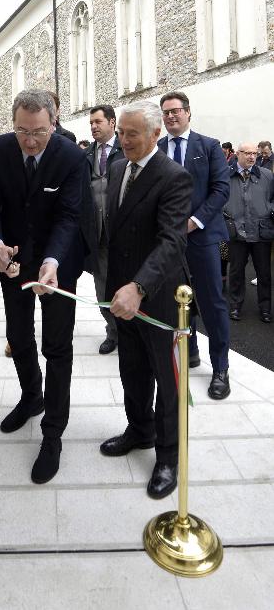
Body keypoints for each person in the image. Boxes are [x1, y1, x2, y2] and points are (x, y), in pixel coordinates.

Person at [0, 89, 88, 484]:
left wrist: (52, 261)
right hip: (11, 261)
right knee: (18, 334)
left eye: (39, 132)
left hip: (58, 263)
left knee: (57, 347)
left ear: (55, 121)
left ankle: (53, 433)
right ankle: (32, 396)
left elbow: (69, 216)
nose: (30, 141)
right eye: (22, 131)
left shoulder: (72, 157)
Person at [100, 100, 193, 499]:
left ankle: (168, 457)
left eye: (132, 134)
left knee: (166, 381)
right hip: (123, 296)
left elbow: (172, 242)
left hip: (157, 298)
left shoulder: (174, 177)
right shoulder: (118, 166)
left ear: (155, 134)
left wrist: (138, 287)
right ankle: (139, 429)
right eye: (120, 132)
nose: (123, 140)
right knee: (131, 369)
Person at [158, 91, 231, 400]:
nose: (171, 116)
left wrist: (193, 222)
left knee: (213, 303)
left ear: (188, 113)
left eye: (176, 111)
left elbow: (221, 189)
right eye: (166, 113)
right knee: (177, 301)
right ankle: (192, 351)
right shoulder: (158, 148)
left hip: (202, 237)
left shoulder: (209, 146)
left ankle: (221, 369)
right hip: (169, 241)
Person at [85, 104, 124, 354]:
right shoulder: (87, 155)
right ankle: (113, 331)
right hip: (97, 235)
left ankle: (130, 331)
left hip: (121, 233)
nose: (94, 127)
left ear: (112, 122)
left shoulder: (125, 150)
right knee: (102, 286)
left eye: (98, 122)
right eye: (91, 123)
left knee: (126, 282)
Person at [225, 142, 274, 323]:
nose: (252, 157)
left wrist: (270, 209)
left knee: (264, 273)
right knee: (236, 271)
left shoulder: (267, 175)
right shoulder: (226, 175)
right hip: (236, 231)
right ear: (237, 154)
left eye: (255, 153)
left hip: (262, 231)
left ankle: (265, 308)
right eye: (247, 153)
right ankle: (235, 306)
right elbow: (218, 196)